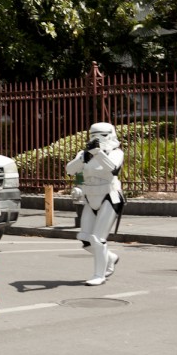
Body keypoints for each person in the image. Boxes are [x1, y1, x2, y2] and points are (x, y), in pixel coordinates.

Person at [65, 122, 124, 286]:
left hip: (109, 196)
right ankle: (110, 258)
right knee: (85, 238)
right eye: (93, 135)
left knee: (98, 238)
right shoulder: (84, 153)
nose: (97, 139)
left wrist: (98, 153)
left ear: (110, 134)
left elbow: (113, 169)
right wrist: (82, 158)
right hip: (90, 198)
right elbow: (70, 170)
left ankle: (100, 274)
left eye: (102, 135)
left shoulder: (116, 152)